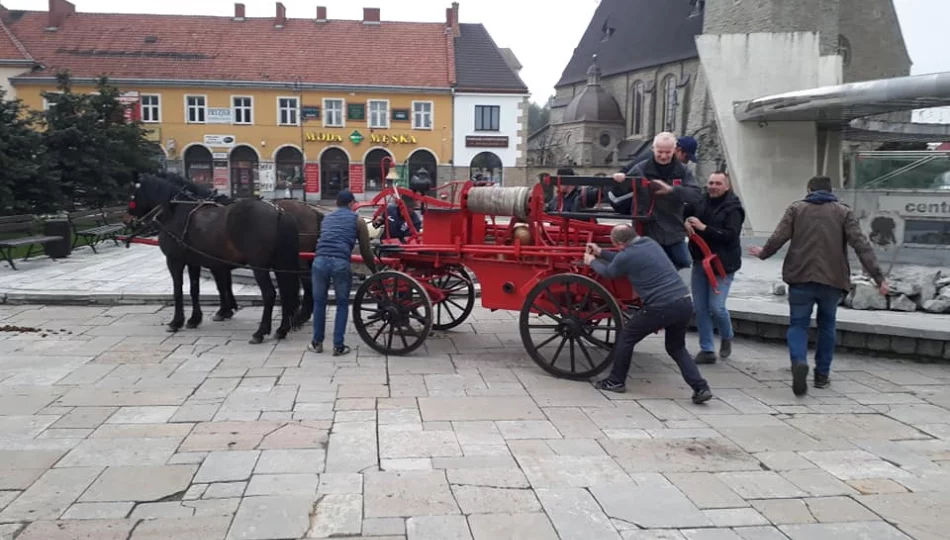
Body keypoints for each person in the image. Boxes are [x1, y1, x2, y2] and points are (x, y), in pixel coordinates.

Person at [749, 176, 888, 396]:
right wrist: (879, 278)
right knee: (827, 326)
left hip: (800, 277)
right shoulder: (844, 212)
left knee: (798, 325)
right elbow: (861, 245)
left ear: (809, 189)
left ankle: (798, 361)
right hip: (832, 280)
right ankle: (822, 375)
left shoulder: (796, 209)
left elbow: (779, 237)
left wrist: (764, 253)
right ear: (831, 191)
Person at [584, 224, 713, 404]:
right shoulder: (649, 243)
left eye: (615, 244)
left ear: (621, 243)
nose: (616, 247)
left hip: (661, 306)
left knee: (626, 336)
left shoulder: (626, 255)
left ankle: (615, 381)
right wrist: (601, 252)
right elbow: (624, 259)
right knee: (676, 348)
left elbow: (610, 271)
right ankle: (701, 387)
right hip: (683, 301)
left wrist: (591, 261)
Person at [608, 132, 701, 270]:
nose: (663, 156)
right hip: (648, 231)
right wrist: (620, 180)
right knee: (652, 267)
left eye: (668, 152)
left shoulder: (682, 171)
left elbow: (696, 195)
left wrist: (672, 190)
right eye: (660, 152)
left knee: (684, 261)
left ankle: (668, 288)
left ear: (674, 150)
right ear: (653, 149)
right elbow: (617, 194)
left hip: (673, 229)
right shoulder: (641, 168)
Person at [684, 172, 746, 364]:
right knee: (700, 308)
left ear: (727, 186)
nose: (713, 186)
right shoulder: (700, 201)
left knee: (716, 307)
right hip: (700, 260)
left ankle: (727, 336)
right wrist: (685, 223)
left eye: (718, 183)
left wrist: (704, 228)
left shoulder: (734, 209)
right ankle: (707, 349)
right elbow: (684, 214)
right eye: (710, 182)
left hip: (722, 265)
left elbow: (730, 235)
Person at [310, 190, 377, 356]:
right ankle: (338, 346)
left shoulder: (326, 219)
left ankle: (317, 343)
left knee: (319, 303)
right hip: (340, 263)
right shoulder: (358, 220)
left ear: (336, 204)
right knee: (341, 304)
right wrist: (374, 270)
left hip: (319, 262)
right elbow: (365, 250)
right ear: (352, 204)